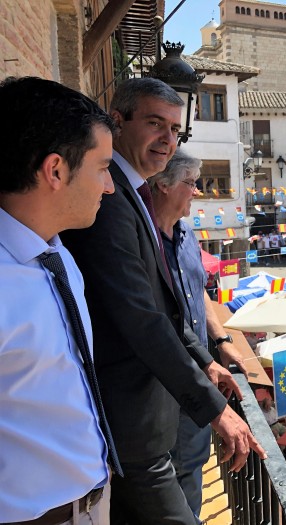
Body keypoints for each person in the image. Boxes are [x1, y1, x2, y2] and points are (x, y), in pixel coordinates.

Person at [61, 77, 266, 523]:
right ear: (117, 121)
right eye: (156, 124)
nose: (168, 140)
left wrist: (206, 359)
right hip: (130, 425)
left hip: (147, 421)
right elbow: (142, 318)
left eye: (175, 130)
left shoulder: (129, 192)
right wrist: (217, 411)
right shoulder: (110, 196)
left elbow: (165, 306)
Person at [0, 76, 116, 523]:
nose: (109, 187)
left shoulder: (57, 254)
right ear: (55, 170)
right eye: (102, 168)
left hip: (89, 503)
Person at [150, 149, 249, 522]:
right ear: (162, 184)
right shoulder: (145, 242)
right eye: (191, 183)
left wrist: (222, 341)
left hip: (202, 377)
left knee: (191, 466)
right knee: (167, 477)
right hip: (167, 384)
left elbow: (200, 293)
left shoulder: (188, 233)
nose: (198, 192)